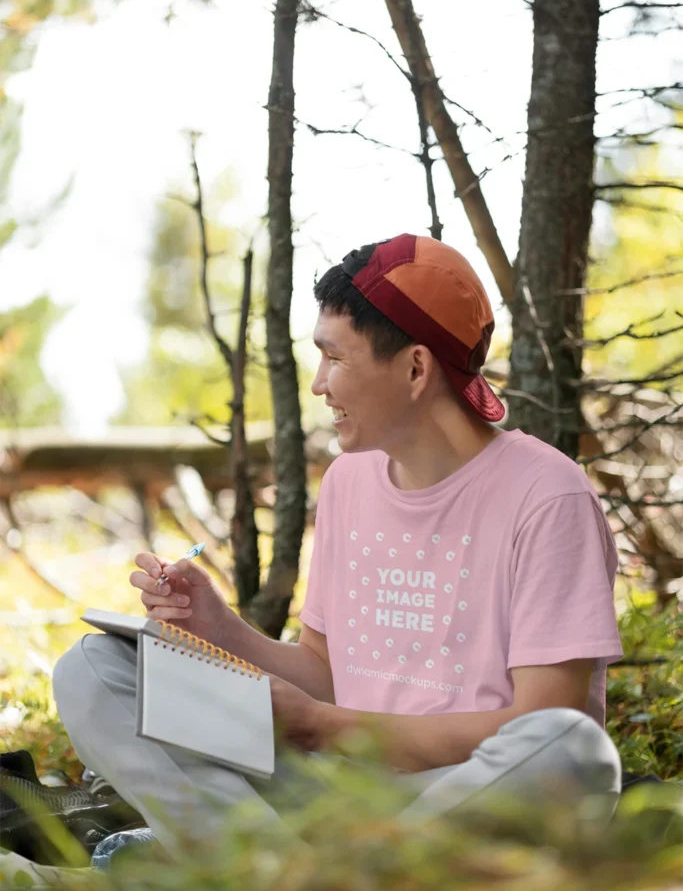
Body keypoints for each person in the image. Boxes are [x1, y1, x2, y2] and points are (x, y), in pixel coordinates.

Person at [53, 234, 624, 844]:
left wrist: (326, 728)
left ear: (415, 368)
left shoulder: (547, 496)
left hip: (462, 796)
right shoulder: (350, 481)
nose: (319, 383)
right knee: (92, 669)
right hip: (329, 788)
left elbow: (545, 719)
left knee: (569, 748)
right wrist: (220, 629)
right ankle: (279, 873)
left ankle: (276, 878)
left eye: (334, 357)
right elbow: (327, 672)